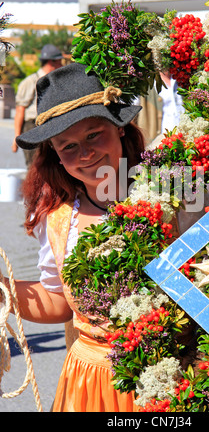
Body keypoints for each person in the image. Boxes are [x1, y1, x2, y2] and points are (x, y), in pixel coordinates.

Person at [3, 62, 144, 412]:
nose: (85, 154)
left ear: (121, 128)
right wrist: (2, 288)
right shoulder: (58, 219)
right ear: (55, 156)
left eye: (94, 135)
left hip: (165, 378)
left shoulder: (177, 191)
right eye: (67, 146)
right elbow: (58, 303)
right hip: (91, 384)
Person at [12, 44, 63, 168]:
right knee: (35, 168)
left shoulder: (55, 82)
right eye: (60, 61)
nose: (62, 65)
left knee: (52, 168)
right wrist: (17, 137)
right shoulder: (30, 81)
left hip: (50, 127)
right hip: (32, 127)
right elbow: (20, 110)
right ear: (52, 62)